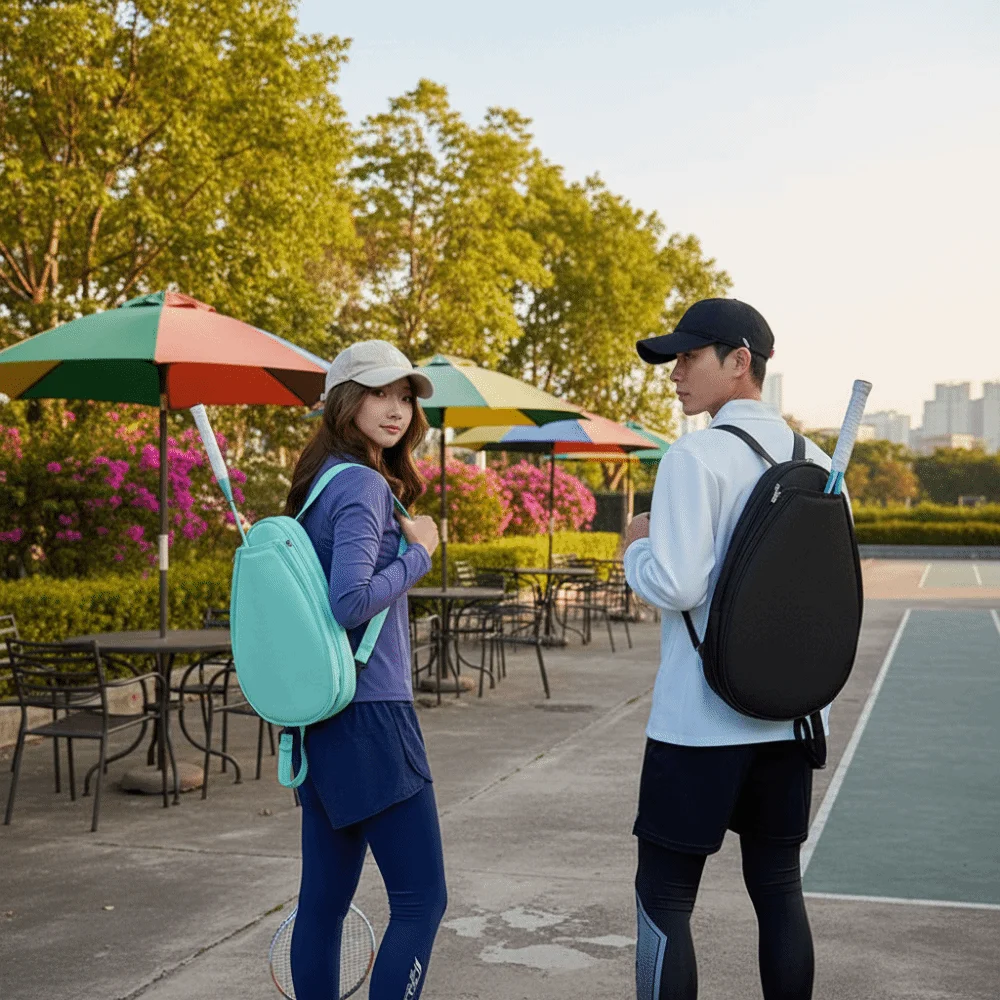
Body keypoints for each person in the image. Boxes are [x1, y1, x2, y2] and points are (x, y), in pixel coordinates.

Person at [623, 299, 835, 1000]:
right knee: (777, 889)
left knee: (664, 897)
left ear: (740, 362)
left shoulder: (696, 456)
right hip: (791, 718)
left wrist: (636, 550)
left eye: (689, 356)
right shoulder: (823, 463)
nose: (675, 373)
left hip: (697, 722)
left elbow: (677, 582)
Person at [284, 340, 445, 1000]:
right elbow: (348, 601)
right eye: (380, 393)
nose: (397, 408)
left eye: (405, 395)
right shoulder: (361, 484)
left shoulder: (318, 485)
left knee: (322, 903)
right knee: (421, 901)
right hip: (373, 716)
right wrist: (421, 556)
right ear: (346, 400)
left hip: (322, 719)